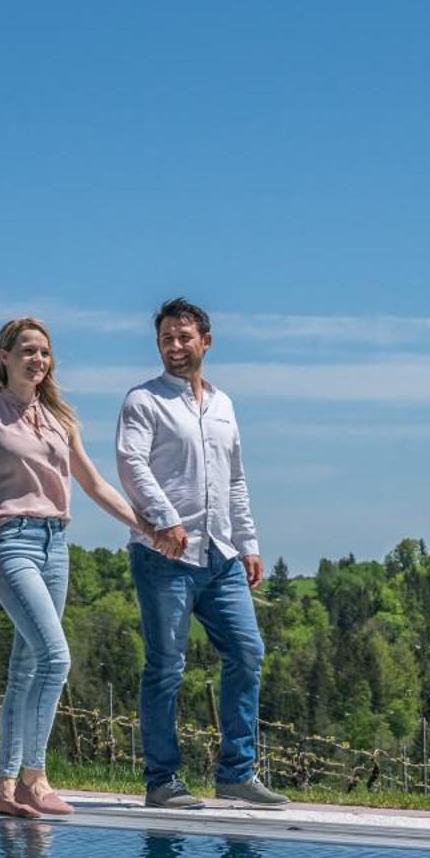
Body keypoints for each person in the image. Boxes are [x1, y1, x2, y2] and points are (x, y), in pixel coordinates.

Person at [0, 317, 156, 818]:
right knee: (56, 658)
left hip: (56, 545)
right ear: (4, 356)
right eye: (27, 351)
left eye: (44, 352)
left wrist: (147, 527)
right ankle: (35, 779)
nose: (37, 360)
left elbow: (94, 484)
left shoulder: (61, 420)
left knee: (25, 669)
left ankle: (3, 788)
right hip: (9, 543)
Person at [115, 297, 289, 808]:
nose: (174, 346)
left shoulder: (224, 405)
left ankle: (236, 773)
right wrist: (165, 519)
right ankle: (162, 781)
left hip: (221, 556)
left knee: (247, 652)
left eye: (184, 337)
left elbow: (235, 480)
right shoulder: (143, 401)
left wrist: (249, 542)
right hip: (163, 557)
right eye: (166, 337)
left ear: (205, 342)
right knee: (167, 665)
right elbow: (131, 463)